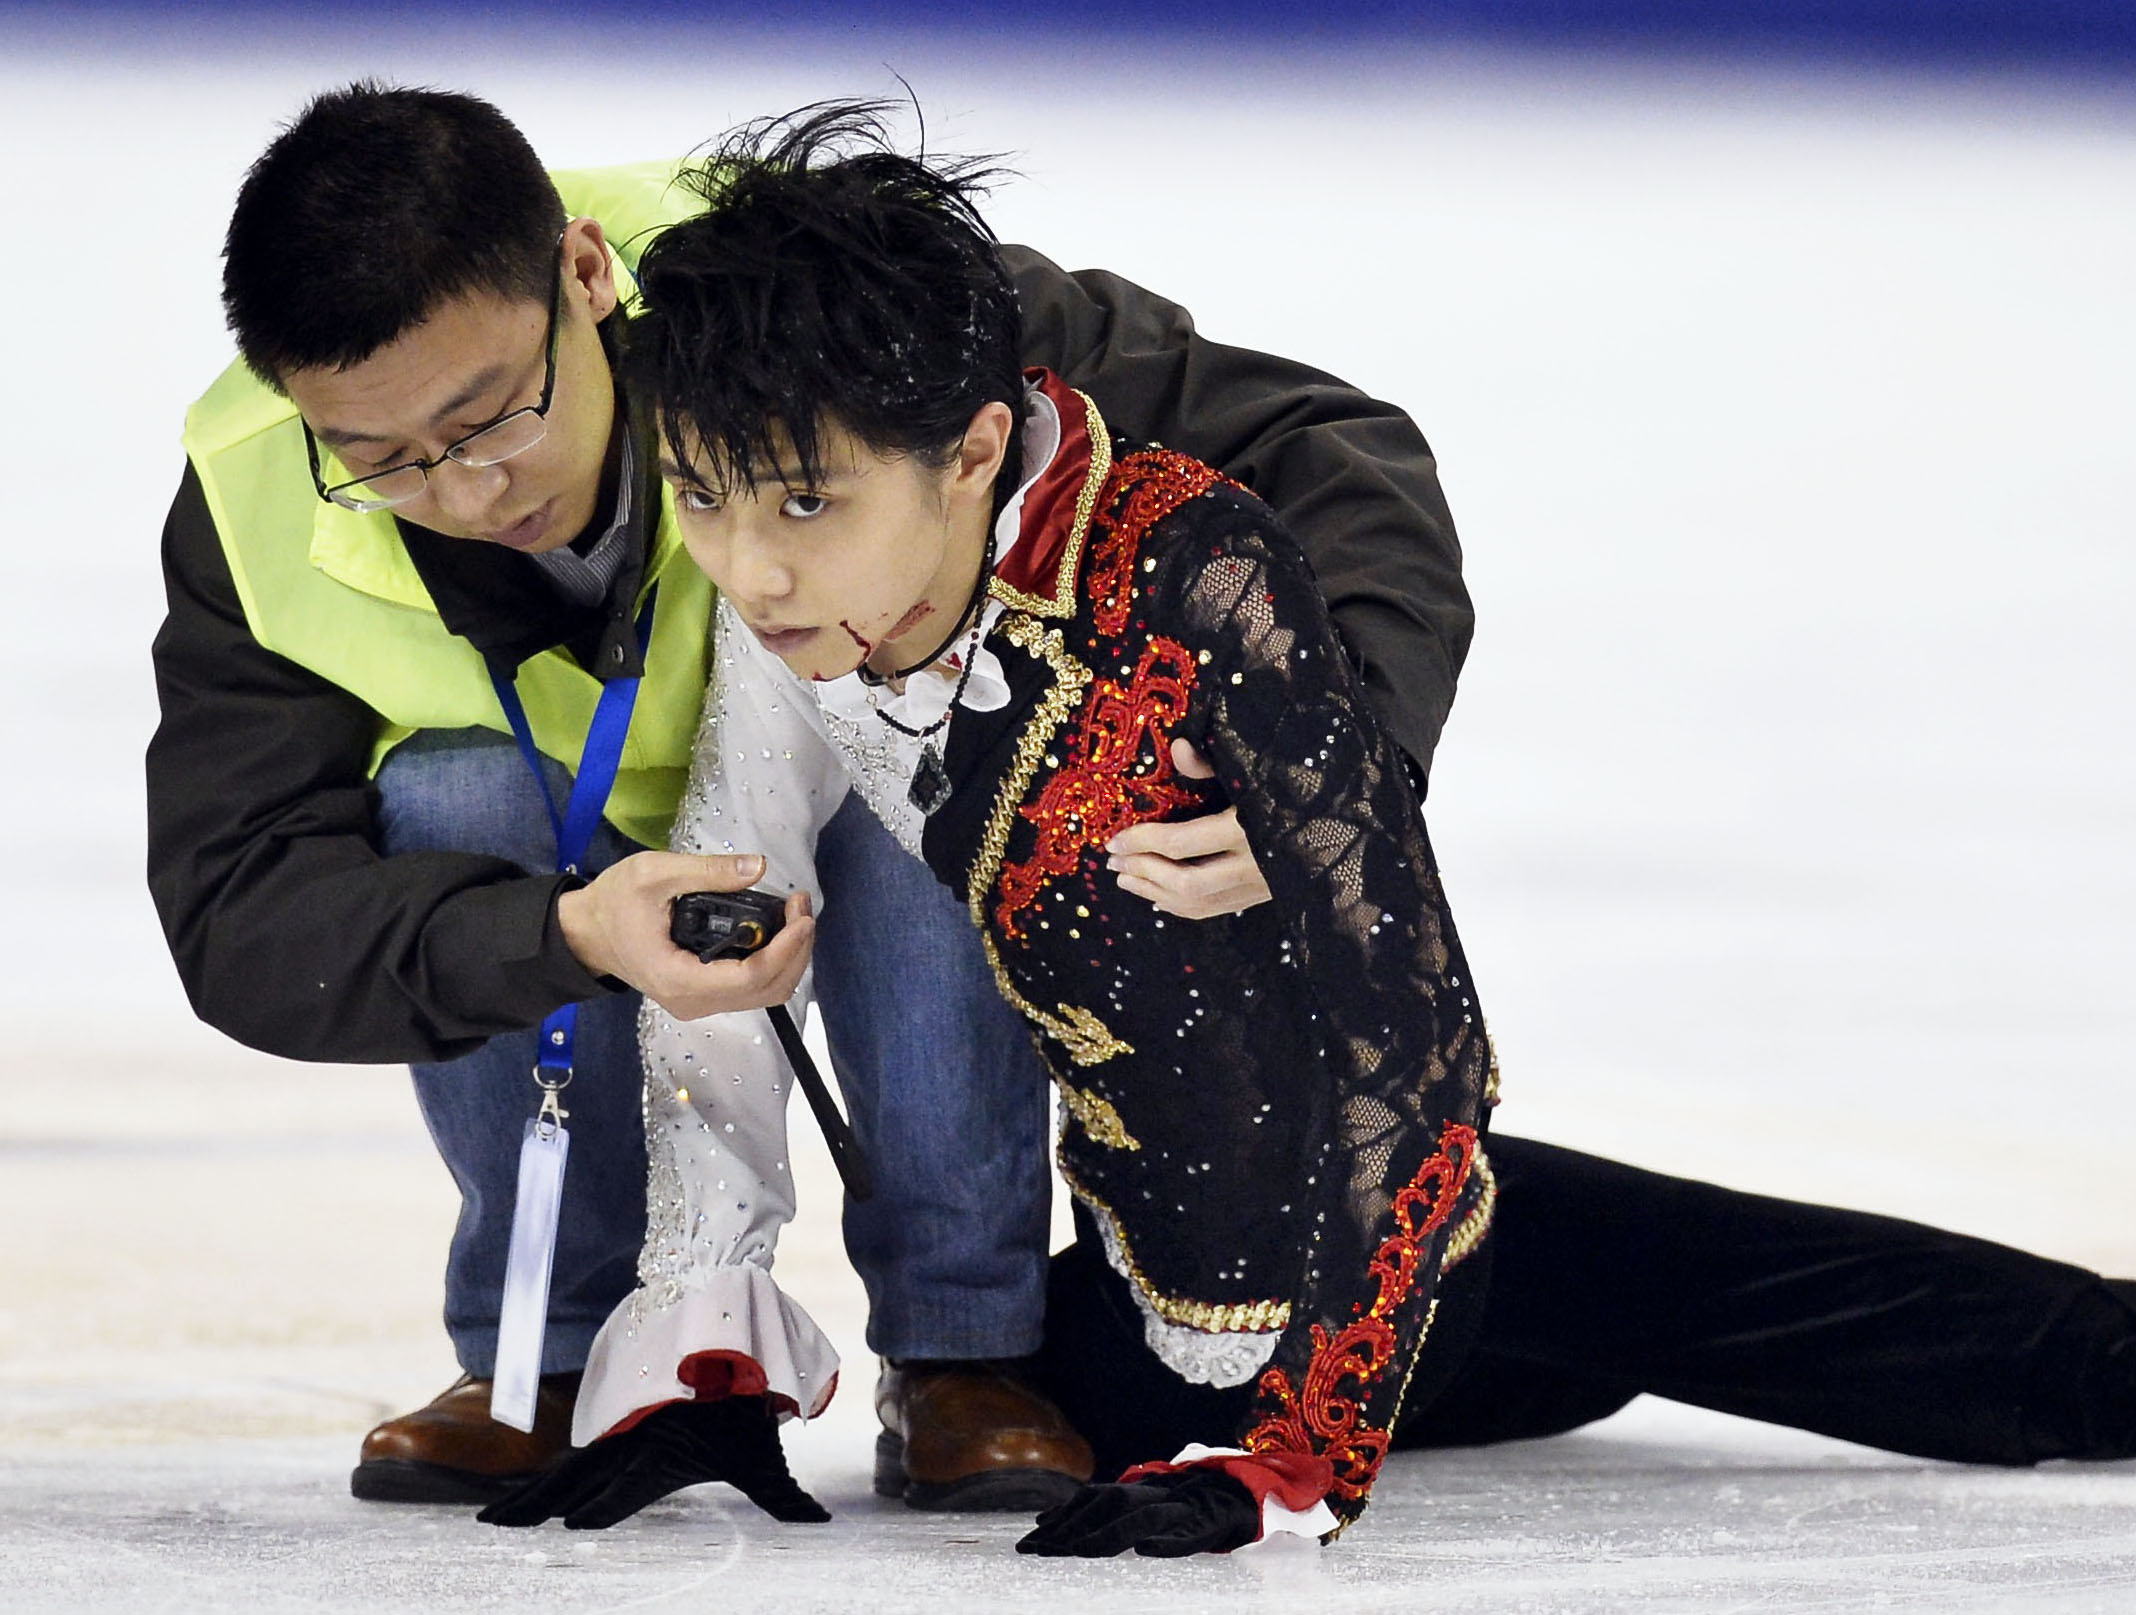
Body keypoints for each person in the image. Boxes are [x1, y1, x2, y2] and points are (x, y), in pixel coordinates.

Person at [480, 108, 2136, 1555]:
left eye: (804, 500)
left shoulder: (1194, 577)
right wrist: (701, 1335)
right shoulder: (795, 635)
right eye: (705, 498)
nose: (751, 564)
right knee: (1268, 1360)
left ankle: (2107, 1366)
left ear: (966, 449)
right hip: (1139, 1301)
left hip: (1391, 1237)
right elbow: (714, 917)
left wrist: (1302, 1452)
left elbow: (1417, 1051)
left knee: (1640, 1289)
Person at [147, 81, 1473, 1510]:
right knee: (454, 792)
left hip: (867, 795)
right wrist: (573, 934)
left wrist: (1328, 780)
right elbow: (244, 914)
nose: (465, 490)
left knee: (923, 735)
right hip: (563, 858)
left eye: (492, 418)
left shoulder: (809, 290)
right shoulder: (250, 501)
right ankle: (550, 1356)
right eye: (379, 460)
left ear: (587, 275)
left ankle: (969, 1349)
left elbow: (1325, 448)